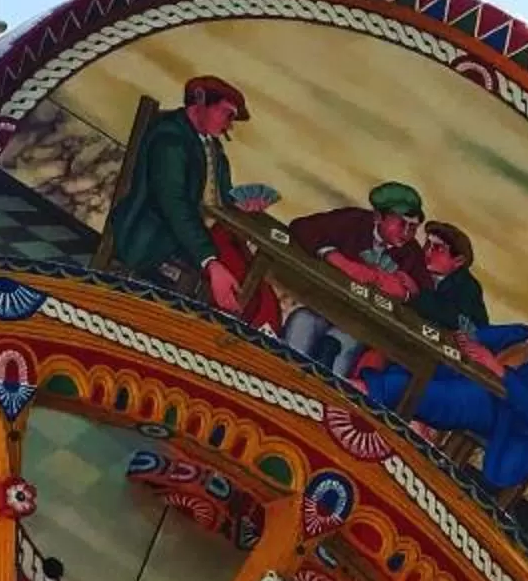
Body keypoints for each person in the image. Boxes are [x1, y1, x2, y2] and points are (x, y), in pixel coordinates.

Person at [366, 299, 528, 489]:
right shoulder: (520, 333)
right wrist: (466, 340)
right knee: (412, 369)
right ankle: (371, 413)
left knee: (431, 390)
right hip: (469, 387)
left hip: (502, 419)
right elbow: (478, 336)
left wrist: (497, 369)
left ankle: (366, 396)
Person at [107, 75, 251, 312]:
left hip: (200, 231)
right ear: (201, 100)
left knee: (246, 274)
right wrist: (210, 262)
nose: (230, 125)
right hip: (157, 232)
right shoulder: (170, 140)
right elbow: (173, 206)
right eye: (228, 114)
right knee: (233, 273)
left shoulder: (214, 148)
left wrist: (240, 204)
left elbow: (224, 194)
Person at [282, 181, 424, 371]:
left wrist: (408, 293)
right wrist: (337, 260)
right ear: (378, 217)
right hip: (325, 307)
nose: (407, 233)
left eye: (413, 227)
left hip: (360, 327)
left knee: (339, 345)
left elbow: (427, 295)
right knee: (302, 321)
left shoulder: (412, 253)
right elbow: (302, 226)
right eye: (401, 224)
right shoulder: (353, 221)